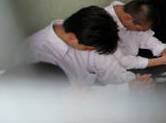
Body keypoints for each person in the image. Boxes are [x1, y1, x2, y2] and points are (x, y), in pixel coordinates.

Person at [15, 6, 150, 90]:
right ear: (73, 37)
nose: (91, 52)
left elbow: (109, 67)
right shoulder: (37, 55)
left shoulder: (86, 34)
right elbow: (74, 98)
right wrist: (126, 89)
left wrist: (133, 81)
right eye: (87, 49)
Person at [104, 0, 166, 81]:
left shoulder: (131, 12)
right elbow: (122, 61)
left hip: (132, 56)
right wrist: (160, 61)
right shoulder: (104, 25)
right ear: (128, 18)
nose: (140, 32)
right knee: (145, 81)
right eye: (138, 29)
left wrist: (164, 51)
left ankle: (158, 73)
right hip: (115, 66)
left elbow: (146, 38)